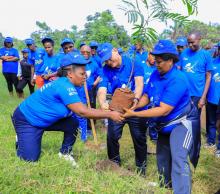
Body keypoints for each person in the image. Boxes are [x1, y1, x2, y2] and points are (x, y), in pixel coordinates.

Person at [11, 52, 124, 164]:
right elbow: (82, 112)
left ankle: (65, 153)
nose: (85, 76)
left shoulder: (68, 84)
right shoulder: (64, 86)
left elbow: (80, 108)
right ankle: (21, 136)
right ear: (70, 73)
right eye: (82, 74)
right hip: (27, 120)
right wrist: (110, 114)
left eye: (85, 73)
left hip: (45, 119)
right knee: (30, 160)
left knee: (73, 123)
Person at [123, 39, 200, 194]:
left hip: (181, 123)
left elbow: (164, 110)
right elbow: (146, 95)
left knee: (179, 158)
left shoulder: (178, 79)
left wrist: (134, 114)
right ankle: (165, 186)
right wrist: (135, 104)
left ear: (170, 60)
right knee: (163, 159)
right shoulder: (155, 75)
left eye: (160, 62)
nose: (157, 64)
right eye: (155, 61)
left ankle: (182, 191)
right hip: (164, 125)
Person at [97, 42, 147, 175]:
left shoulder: (134, 64)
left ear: (115, 50)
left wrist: (135, 100)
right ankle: (114, 164)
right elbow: (102, 89)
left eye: (109, 57)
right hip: (117, 107)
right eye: (105, 60)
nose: (108, 62)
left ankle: (141, 168)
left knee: (139, 138)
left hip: (135, 108)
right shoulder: (105, 69)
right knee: (112, 136)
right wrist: (103, 104)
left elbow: (139, 84)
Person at [179, 32, 213, 115]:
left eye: (192, 42)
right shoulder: (184, 53)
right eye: (188, 42)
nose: (190, 45)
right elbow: (179, 71)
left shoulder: (206, 55)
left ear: (199, 40)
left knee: (194, 120)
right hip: (184, 92)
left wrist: (203, 97)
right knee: (182, 118)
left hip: (197, 94)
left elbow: (208, 77)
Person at [206, 42, 220, 150]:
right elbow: (208, 79)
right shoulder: (213, 63)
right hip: (211, 98)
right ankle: (211, 141)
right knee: (211, 122)